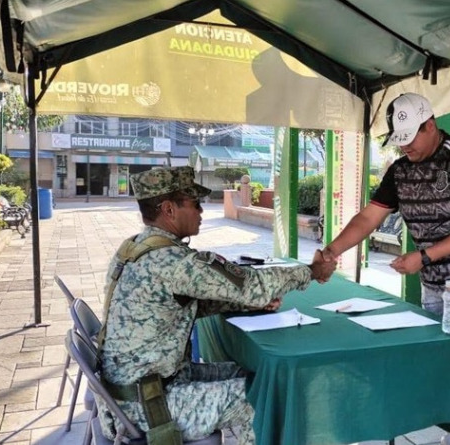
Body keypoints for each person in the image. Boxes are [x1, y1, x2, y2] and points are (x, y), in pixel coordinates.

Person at [95, 166, 335, 444]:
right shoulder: (173, 262)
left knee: (253, 375)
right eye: (195, 204)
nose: (201, 212)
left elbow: (187, 303)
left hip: (138, 390)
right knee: (260, 397)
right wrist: (312, 271)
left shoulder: (135, 247)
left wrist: (248, 304)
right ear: (169, 210)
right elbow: (251, 284)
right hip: (147, 406)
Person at [321, 93, 450, 444]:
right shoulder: (401, 168)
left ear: (431, 126)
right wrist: (332, 251)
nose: (405, 147)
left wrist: (424, 256)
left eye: (410, 138)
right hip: (434, 284)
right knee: (441, 370)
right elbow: (368, 217)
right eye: (399, 140)